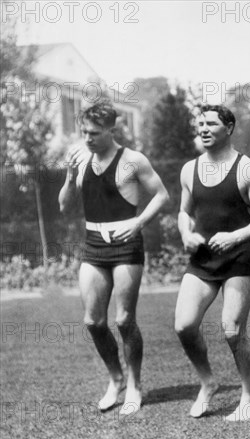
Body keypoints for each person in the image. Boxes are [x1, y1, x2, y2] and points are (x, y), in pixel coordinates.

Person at [58, 101, 169, 415]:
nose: (88, 138)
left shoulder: (133, 160)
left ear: (111, 130)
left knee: (123, 320)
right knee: (93, 321)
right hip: (93, 245)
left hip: (125, 246)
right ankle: (115, 378)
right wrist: (69, 175)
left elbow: (162, 195)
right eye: (84, 132)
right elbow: (64, 206)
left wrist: (138, 222)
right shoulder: (81, 161)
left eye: (94, 133)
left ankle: (134, 384)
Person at [174, 104, 250, 421]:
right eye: (199, 124)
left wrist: (236, 236)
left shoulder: (248, 169)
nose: (202, 129)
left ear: (229, 128)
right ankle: (207, 383)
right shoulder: (190, 170)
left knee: (232, 330)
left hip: (238, 257)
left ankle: (249, 396)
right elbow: (184, 213)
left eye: (210, 123)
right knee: (184, 325)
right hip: (203, 258)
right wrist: (185, 233)